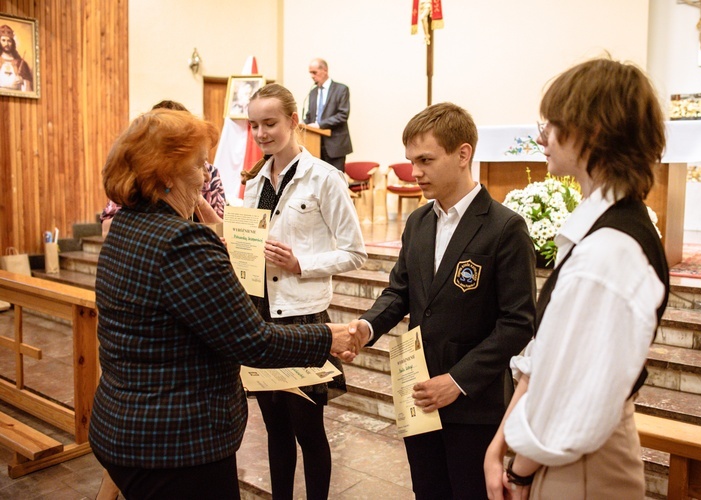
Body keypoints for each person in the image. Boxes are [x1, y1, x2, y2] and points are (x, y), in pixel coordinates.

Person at [88, 107, 362, 500]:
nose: (205, 176)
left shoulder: (126, 227)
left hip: (121, 426)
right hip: (177, 444)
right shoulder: (182, 243)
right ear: (166, 173)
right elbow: (255, 342)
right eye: (199, 165)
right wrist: (328, 338)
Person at [484, 58, 670, 500]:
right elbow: (546, 357)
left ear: (594, 131)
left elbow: (571, 397)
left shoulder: (609, 251)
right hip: (555, 456)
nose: (541, 137)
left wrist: (520, 469)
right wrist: (499, 447)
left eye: (552, 124)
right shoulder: (602, 227)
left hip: (580, 467)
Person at [348, 102, 537, 499]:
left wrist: (458, 381)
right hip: (418, 391)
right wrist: (367, 327)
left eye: (426, 160)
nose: (414, 172)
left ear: (463, 154)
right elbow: (400, 291)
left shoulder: (505, 228)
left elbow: (518, 322)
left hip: (473, 401)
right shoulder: (419, 221)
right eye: (411, 161)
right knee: (427, 491)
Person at [240, 83, 367, 500]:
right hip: (262, 316)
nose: (261, 133)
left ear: (294, 122)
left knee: (308, 432)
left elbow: (355, 253)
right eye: (254, 125)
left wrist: (301, 264)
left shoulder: (325, 178)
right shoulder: (255, 182)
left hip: (303, 320)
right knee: (274, 430)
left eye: (270, 123)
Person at [100, 100, 225, 236]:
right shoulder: (138, 173)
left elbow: (223, 230)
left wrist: (198, 200)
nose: (205, 177)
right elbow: (107, 229)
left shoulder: (210, 173)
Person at [303, 58, 352, 172]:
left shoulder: (341, 89)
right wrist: (302, 123)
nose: (312, 76)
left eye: (314, 72)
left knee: (335, 182)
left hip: (335, 144)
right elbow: (310, 116)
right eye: (310, 73)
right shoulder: (313, 92)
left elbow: (343, 115)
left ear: (325, 70)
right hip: (315, 145)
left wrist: (320, 125)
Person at [0, 24, 33, 91]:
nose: (6, 44)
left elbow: (29, 88)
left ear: (12, 42)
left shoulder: (21, 63)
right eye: (3, 40)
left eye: (9, 41)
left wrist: (23, 81)